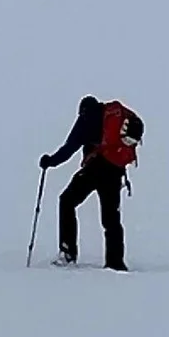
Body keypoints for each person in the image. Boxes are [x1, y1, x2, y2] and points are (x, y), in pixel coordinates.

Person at [40, 95, 144, 269]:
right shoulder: (111, 113)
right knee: (111, 219)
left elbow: (69, 148)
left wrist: (49, 161)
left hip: (95, 168)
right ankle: (115, 262)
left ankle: (68, 253)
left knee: (67, 201)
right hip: (114, 172)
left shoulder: (86, 120)